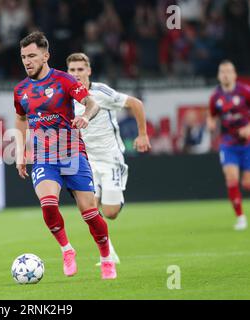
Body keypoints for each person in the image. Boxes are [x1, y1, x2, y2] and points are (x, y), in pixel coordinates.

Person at [14, 31, 116, 280]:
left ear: (45, 55)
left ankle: (105, 256)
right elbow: (20, 119)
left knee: (90, 213)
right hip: (43, 156)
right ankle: (67, 250)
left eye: (32, 56)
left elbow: (92, 103)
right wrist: (20, 152)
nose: (27, 61)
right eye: (23, 57)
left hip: (72, 152)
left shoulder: (64, 80)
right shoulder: (20, 90)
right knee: (48, 205)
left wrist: (84, 116)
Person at [66, 52, 151, 266]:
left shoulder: (100, 92)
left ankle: (113, 200)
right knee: (88, 208)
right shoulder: (65, 96)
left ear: (89, 71)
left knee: (110, 212)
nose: (76, 74)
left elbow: (136, 104)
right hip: (84, 161)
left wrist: (142, 135)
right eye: (72, 70)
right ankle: (108, 253)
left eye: (80, 69)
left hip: (110, 158)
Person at [207, 60, 250, 230]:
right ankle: (240, 217)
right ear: (219, 75)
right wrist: (210, 123)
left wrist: (248, 127)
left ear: (234, 74)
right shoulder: (215, 97)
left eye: (229, 71)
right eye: (222, 71)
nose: (225, 74)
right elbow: (211, 115)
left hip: (247, 143)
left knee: (247, 183)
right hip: (228, 143)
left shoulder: (245, 92)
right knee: (231, 178)